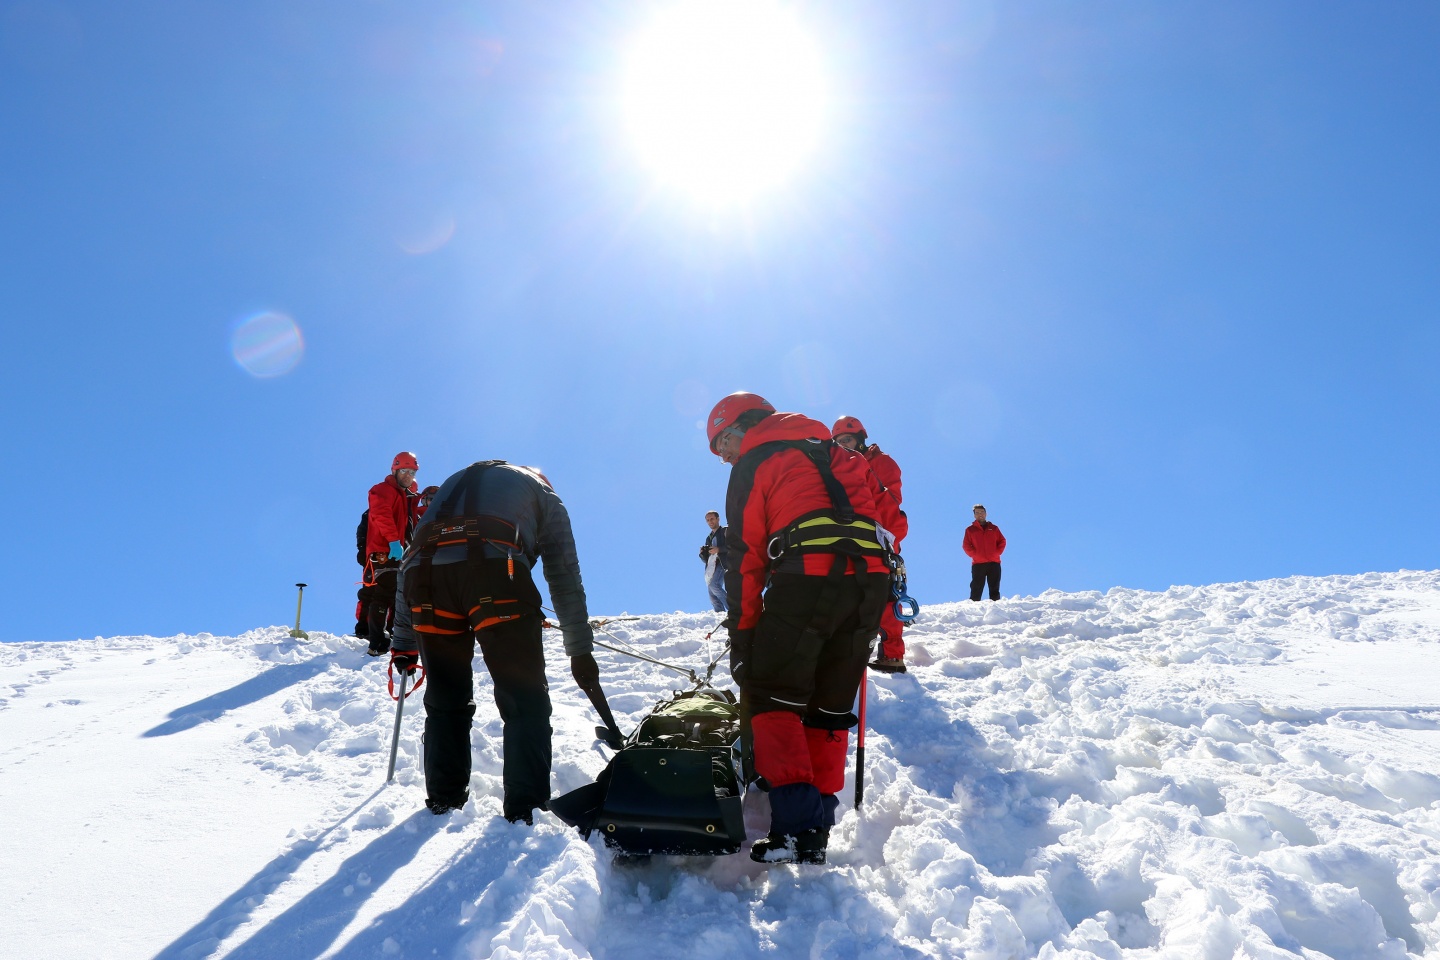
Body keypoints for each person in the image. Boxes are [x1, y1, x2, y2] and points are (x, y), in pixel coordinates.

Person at [708, 391, 902, 865]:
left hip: (805, 578)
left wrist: (744, 635)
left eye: (724, 442)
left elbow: (746, 558)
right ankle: (819, 823)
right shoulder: (843, 454)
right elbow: (892, 522)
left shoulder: (755, 463)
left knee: (770, 694)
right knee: (829, 704)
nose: (725, 455)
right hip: (868, 585)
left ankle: (796, 827)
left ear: (745, 427)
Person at [387, 460, 597, 825]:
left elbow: (411, 560)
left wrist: (403, 643)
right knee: (523, 698)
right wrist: (580, 650)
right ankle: (525, 811)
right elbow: (563, 573)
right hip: (496, 578)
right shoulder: (544, 494)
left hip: (426, 584)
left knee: (445, 699)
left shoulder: (451, 484)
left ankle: (443, 803)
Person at [832, 415, 909, 673]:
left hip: (879, 534)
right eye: (840, 441)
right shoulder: (839, 466)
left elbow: (890, 501)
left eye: (848, 439)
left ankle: (892, 656)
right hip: (851, 535)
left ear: (861, 439)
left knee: (885, 599)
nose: (845, 445)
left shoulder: (881, 462)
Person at [363, 452, 423, 656]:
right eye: (404, 470)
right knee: (386, 592)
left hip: (403, 551)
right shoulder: (382, 490)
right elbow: (382, 515)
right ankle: (377, 642)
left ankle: (391, 634)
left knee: (401, 594)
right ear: (394, 470)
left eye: (412, 471)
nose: (408, 475)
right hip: (385, 550)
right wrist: (393, 541)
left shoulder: (408, 496)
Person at [963, 504, 1006, 601]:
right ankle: (974, 608)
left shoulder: (994, 528)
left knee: (994, 587)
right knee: (976, 587)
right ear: (974, 515)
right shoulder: (970, 530)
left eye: (982, 512)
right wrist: (975, 555)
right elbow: (966, 545)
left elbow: (1002, 541)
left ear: (986, 514)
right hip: (978, 563)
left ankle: (995, 608)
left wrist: (996, 553)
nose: (980, 514)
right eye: (977, 513)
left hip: (994, 562)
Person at [699, 510, 729, 613]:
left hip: (723, 563)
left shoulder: (725, 531)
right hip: (712, 567)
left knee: (714, 586)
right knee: (712, 595)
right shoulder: (709, 538)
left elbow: (734, 546)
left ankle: (733, 610)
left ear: (718, 519)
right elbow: (707, 559)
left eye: (712, 519)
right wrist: (703, 554)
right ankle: (719, 616)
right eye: (707, 520)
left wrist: (719, 549)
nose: (710, 522)